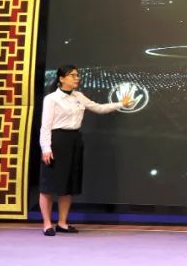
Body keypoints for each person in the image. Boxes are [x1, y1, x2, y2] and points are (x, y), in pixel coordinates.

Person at [38, 64, 130, 236]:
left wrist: (121, 104)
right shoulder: (51, 99)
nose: (77, 78)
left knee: (68, 185)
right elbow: (45, 126)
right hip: (56, 142)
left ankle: (62, 223)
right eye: (72, 75)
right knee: (48, 185)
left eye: (77, 75)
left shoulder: (78, 96)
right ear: (61, 79)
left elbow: (99, 108)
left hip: (74, 141)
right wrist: (46, 148)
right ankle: (47, 224)